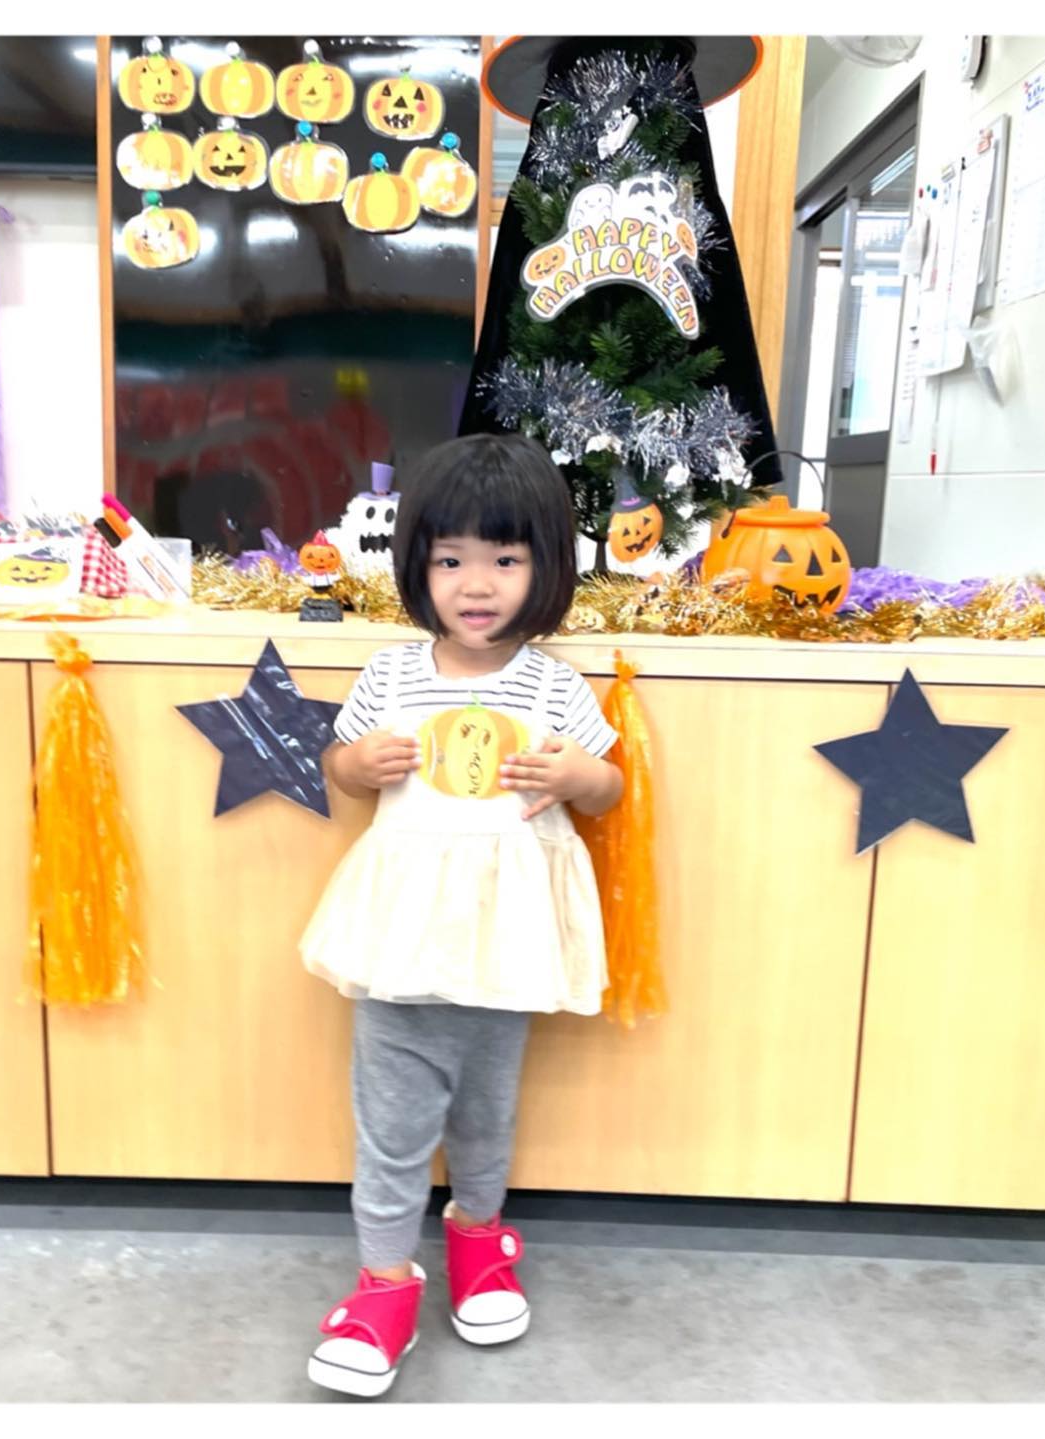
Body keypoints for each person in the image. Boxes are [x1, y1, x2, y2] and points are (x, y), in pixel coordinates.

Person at [300, 433, 623, 1398]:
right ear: (418, 565)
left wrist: (578, 774)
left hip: (504, 943)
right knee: (392, 1125)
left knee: (485, 1115)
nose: (476, 584)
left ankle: (479, 1240)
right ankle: (383, 1284)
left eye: (505, 559)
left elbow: (609, 788)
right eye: (450, 560)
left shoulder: (552, 682)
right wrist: (359, 763)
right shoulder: (392, 674)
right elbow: (340, 768)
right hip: (398, 940)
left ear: (546, 565)